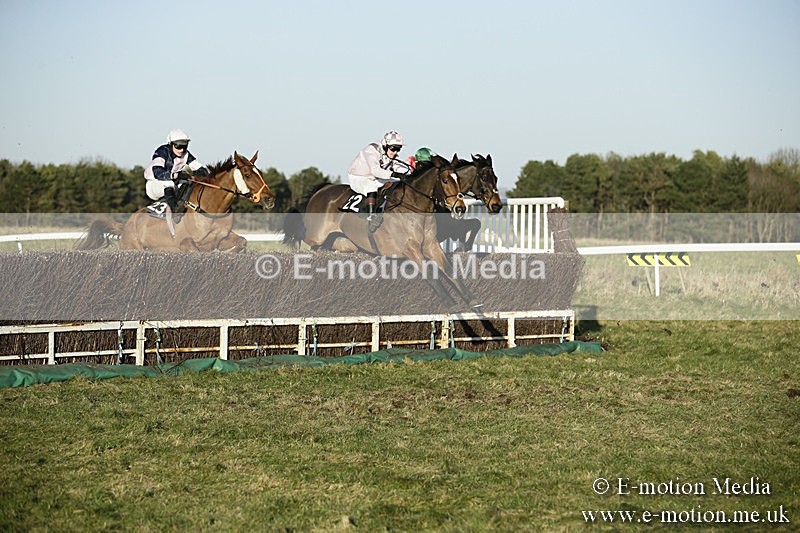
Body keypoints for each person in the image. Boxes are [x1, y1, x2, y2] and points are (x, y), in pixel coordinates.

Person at [346, 130, 413, 231]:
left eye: (398, 149)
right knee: (371, 186)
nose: (395, 152)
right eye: (393, 148)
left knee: (395, 183)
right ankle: (371, 217)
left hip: (375, 177)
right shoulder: (371, 150)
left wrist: (411, 174)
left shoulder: (390, 153)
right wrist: (394, 174)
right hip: (358, 177)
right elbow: (375, 170)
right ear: (385, 145)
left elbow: (397, 167)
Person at [144, 129, 209, 215]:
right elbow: (158, 173)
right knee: (169, 183)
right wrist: (177, 175)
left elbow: (200, 169)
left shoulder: (186, 154)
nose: (182, 150)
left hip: (173, 185)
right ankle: (175, 211)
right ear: (171, 145)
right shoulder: (162, 151)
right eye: (178, 146)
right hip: (154, 184)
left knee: (188, 183)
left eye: (185, 146)